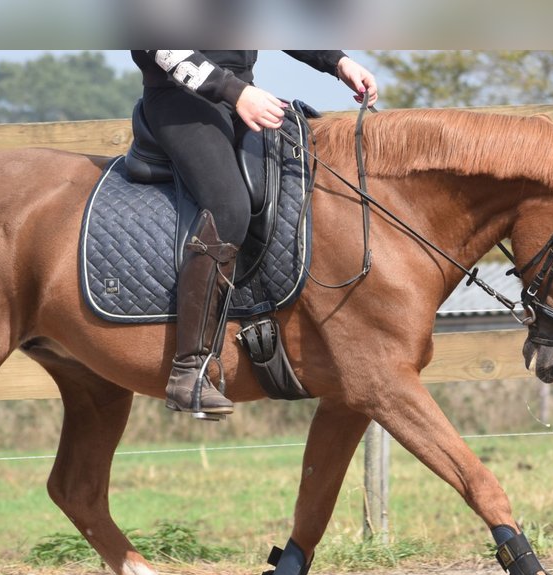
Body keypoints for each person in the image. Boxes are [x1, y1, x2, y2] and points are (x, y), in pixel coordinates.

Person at [130, 50, 378, 418]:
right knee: (229, 208)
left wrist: (338, 62)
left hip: (242, 95)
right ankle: (188, 370)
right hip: (181, 99)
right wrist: (233, 91)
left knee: (306, 180)